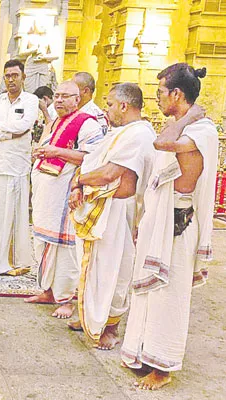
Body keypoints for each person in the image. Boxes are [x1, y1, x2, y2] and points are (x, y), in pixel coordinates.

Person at [121, 64, 218, 390]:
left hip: (178, 224)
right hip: (160, 220)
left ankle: (163, 367)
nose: (157, 98)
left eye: (161, 92)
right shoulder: (182, 127)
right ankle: (144, 353)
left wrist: (186, 118)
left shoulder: (197, 130)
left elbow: (162, 144)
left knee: (169, 296)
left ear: (177, 94)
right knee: (150, 293)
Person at [68, 83, 156, 350]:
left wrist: (79, 181)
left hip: (120, 210)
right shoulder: (122, 132)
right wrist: (79, 184)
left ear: (124, 106)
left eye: (109, 104)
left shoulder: (139, 134)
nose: (106, 109)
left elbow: (109, 174)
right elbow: (93, 161)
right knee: (95, 266)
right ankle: (90, 316)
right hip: (104, 205)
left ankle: (109, 325)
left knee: (115, 268)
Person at [26, 81, 104, 318]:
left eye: (65, 96)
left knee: (66, 250)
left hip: (65, 198)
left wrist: (56, 152)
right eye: (57, 96)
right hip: (46, 197)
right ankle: (48, 291)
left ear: (77, 99)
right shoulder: (58, 122)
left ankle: (67, 300)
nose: (58, 100)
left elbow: (92, 157)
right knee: (44, 243)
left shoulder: (87, 123)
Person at [0, 59, 39, 276]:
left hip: (18, 166)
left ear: (23, 77)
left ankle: (15, 260)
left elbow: (25, 125)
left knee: (16, 213)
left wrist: (1, 127)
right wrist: (8, 133)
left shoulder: (31, 100)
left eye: (15, 75)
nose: (11, 80)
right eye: (7, 76)